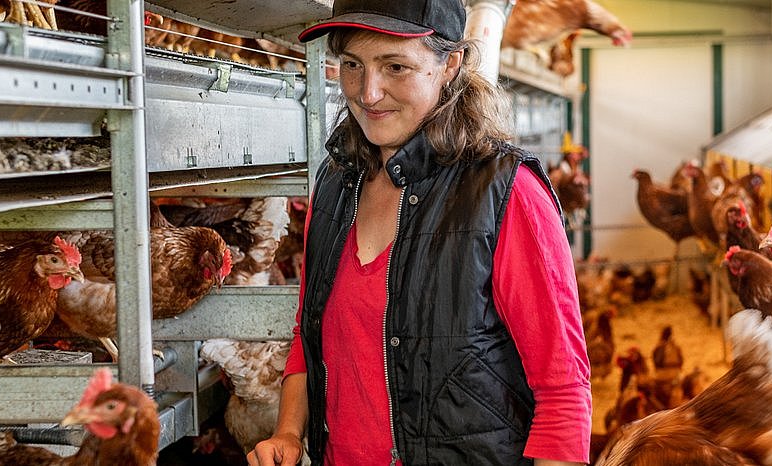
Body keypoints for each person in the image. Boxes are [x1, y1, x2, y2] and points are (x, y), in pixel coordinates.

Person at [248, 1, 590, 465]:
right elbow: (310, 336)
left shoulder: (504, 193)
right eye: (352, 65)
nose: (368, 92)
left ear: (449, 64)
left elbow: (563, 391)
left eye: (395, 66)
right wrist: (289, 432)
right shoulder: (335, 183)